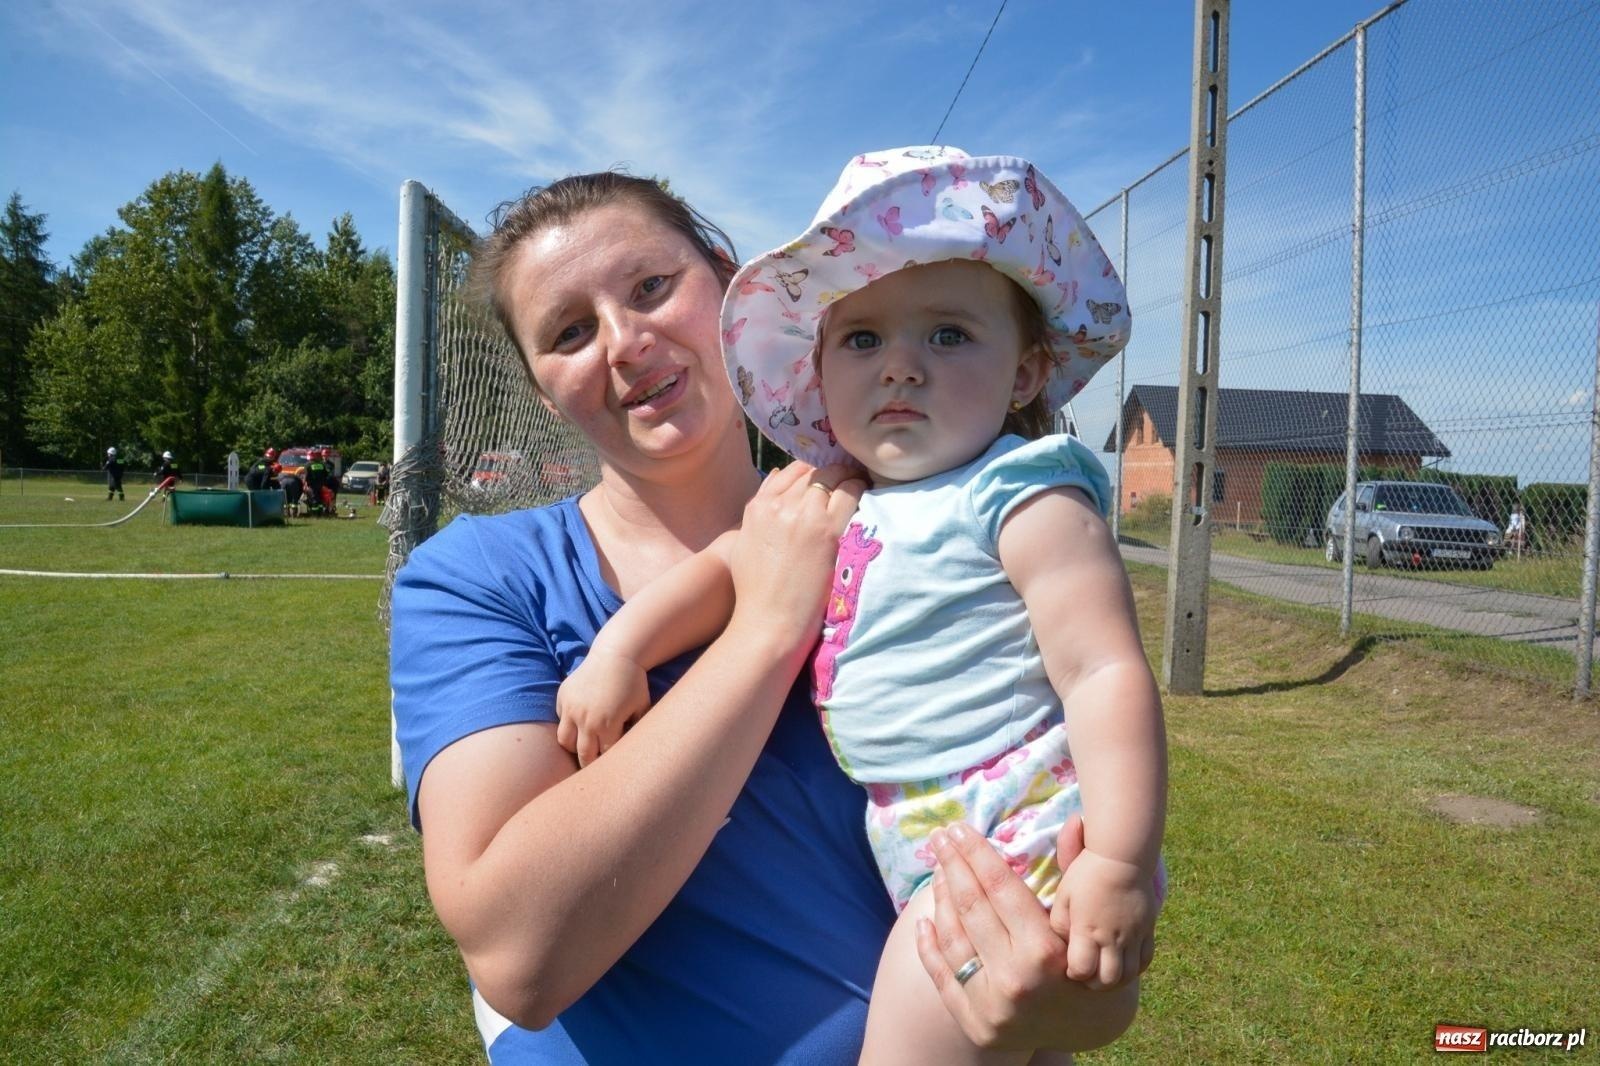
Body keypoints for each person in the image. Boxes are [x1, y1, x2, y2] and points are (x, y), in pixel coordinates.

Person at [390, 169, 1140, 1064]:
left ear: (728, 285)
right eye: (569, 332)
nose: (625, 343)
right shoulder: (483, 577)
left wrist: (1073, 1003)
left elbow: (1078, 874)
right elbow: (520, 956)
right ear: (544, 389)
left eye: (651, 288)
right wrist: (766, 630)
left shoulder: (919, 530)